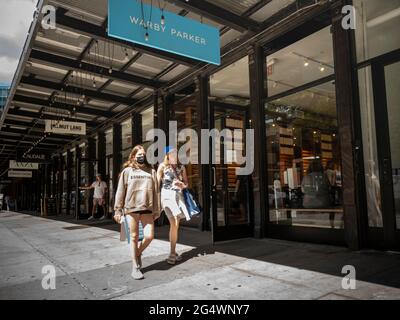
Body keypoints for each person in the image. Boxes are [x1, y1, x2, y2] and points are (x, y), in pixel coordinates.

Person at [113, 145, 160, 280]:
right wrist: (118, 210)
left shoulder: (151, 171)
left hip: (147, 208)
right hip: (131, 208)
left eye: (144, 154)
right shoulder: (127, 171)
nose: (142, 156)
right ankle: (135, 267)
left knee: (149, 236)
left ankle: (137, 253)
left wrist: (157, 209)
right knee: (133, 237)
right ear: (133, 156)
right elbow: (120, 191)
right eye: (139, 154)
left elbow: (156, 191)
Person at [157, 146, 190, 265]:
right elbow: (156, 183)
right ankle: (171, 253)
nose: (174, 155)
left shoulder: (182, 167)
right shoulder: (162, 166)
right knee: (174, 222)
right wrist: (155, 202)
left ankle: (174, 251)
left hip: (178, 197)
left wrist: (183, 185)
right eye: (172, 153)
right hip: (167, 197)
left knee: (176, 225)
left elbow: (186, 183)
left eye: (176, 153)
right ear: (167, 155)